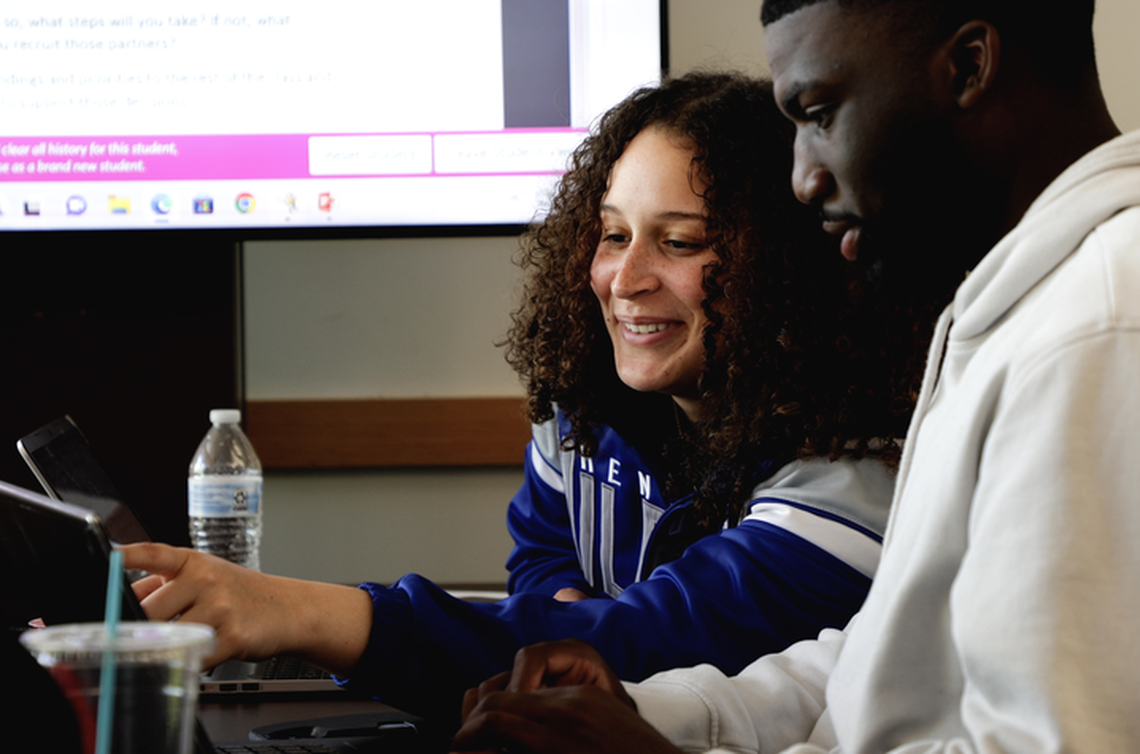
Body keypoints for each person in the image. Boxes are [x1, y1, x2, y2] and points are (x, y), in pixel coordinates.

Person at [122, 72, 926, 725]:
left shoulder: (854, 472)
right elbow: (543, 559)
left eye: (678, 242)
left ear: (786, 270)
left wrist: (297, 612)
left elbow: (660, 643)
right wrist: (562, 624)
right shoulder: (586, 404)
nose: (624, 278)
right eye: (613, 234)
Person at [452, 1, 1140, 752]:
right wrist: (660, 713)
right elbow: (888, 668)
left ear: (970, 67)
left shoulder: (1100, 326)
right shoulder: (1020, 300)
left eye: (818, 115)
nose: (804, 179)